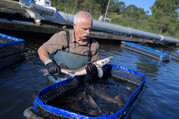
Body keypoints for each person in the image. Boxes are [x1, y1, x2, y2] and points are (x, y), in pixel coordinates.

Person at [38, 11, 100, 82]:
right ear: (75, 26)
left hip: (77, 83)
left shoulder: (94, 45)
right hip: (56, 81)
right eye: (84, 29)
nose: (88, 32)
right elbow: (42, 50)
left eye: (90, 29)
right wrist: (49, 63)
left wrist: (94, 72)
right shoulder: (62, 37)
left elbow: (96, 73)